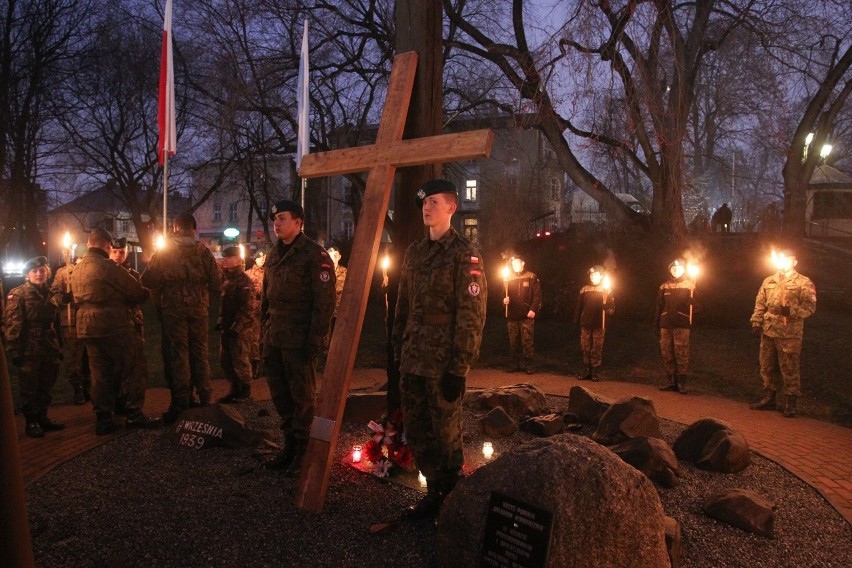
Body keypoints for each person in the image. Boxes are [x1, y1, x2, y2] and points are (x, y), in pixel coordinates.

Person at [392, 179, 487, 520]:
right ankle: (434, 492)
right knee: (417, 431)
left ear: (451, 207)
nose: (426, 207)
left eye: (433, 202)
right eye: (423, 202)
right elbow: (403, 305)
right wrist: (397, 350)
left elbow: (471, 315)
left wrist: (459, 367)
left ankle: (453, 500)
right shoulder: (415, 252)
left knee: (446, 435)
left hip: (442, 363)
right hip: (414, 359)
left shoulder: (465, 254)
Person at [261, 200, 336, 477]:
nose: (276, 224)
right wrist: (263, 335)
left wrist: (315, 341)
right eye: (275, 220)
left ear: (298, 222)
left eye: (282, 218)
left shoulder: (315, 256)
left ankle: (304, 452)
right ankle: (290, 446)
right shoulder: (273, 255)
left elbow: (324, 303)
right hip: (275, 338)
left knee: (302, 398)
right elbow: (265, 302)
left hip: (299, 339)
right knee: (281, 397)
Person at [71, 229, 161, 435]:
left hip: (86, 326)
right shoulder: (106, 267)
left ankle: (103, 418)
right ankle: (133, 413)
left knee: (99, 373)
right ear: (106, 244)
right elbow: (135, 291)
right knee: (133, 364)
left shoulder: (77, 268)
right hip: (112, 324)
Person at [141, 212, 222, 423]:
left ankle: (181, 402)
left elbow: (148, 279)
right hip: (199, 310)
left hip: (173, 311)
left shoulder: (164, 252)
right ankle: (205, 397)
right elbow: (216, 282)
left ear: (175, 228)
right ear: (193, 229)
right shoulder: (203, 252)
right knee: (200, 352)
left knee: (179, 354)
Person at [749, 249, 816, 418]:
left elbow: (809, 307)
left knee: (789, 368)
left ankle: (790, 402)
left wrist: (791, 311)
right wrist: (756, 321)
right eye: (782, 260)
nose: (785, 263)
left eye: (788, 260)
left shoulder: (803, 282)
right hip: (769, 330)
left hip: (789, 333)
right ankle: (769, 397)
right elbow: (760, 303)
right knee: (767, 366)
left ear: (795, 262)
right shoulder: (769, 281)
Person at [5, 256, 64, 438]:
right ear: (27, 274)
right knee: (30, 385)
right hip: (29, 347)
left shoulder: (50, 293)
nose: (39, 274)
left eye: (42, 270)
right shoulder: (19, 294)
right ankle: (31, 421)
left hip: (48, 345)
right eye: (35, 271)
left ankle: (42, 417)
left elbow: (56, 322)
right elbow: (14, 323)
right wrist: (14, 350)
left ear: (47, 271)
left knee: (46, 383)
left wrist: (59, 345)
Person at [109, 237, 147, 415]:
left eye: (121, 252)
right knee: (113, 367)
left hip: (132, 324)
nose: (118, 255)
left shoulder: (133, 274)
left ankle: (130, 403)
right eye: (114, 252)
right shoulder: (104, 274)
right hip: (113, 325)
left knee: (133, 366)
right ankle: (117, 402)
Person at [217, 246, 255, 403]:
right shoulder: (228, 280)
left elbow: (247, 308)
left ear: (238, 260)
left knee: (240, 359)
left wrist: (236, 327)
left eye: (229, 257)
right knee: (226, 360)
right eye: (224, 257)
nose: (225, 260)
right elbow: (224, 305)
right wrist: (221, 323)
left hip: (240, 329)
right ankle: (234, 389)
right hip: (227, 327)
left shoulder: (244, 282)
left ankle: (245, 392)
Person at [50, 256, 90, 405]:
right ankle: (77, 387)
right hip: (71, 321)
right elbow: (54, 295)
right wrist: (63, 298)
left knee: (91, 355)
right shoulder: (64, 273)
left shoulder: (92, 270)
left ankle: (89, 385)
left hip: (89, 319)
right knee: (74, 357)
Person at [654, 259, 696, 394]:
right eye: (673, 268)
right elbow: (659, 306)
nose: (676, 270)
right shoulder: (664, 286)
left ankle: (681, 383)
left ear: (684, 270)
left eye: (679, 268)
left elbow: (698, 307)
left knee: (681, 353)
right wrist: (656, 323)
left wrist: (693, 303)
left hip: (681, 324)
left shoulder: (690, 286)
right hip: (665, 324)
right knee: (667, 353)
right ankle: (671, 381)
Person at [502, 253, 541, 374]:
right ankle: (515, 363)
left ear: (523, 263)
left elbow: (537, 295)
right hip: (513, 315)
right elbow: (504, 294)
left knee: (527, 341)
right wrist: (504, 300)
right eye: (513, 264)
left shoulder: (532, 277)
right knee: (513, 341)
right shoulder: (508, 278)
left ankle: (529, 364)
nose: (515, 266)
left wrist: (533, 310)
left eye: (517, 263)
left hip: (526, 316)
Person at [574, 265, 615, 382]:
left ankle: (595, 371)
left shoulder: (606, 290)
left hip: (599, 323)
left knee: (596, 348)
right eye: (591, 275)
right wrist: (576, 320)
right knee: (585, 347)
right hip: (586, 322)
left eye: (596, 274)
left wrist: (607, 308)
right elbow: (579, 307)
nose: (593, 277)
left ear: (601, 276)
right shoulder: (584, 289)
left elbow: (612, 309)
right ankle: (586, 370)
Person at [246, 251, 266, 378]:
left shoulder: (268, 272)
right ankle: (255, 365)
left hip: (266, 311)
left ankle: (264, 365)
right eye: (260, 258)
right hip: (254, 311)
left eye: (264, 257)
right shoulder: (248, 274)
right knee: (254, 339)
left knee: (264, 338)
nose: (263, 260)